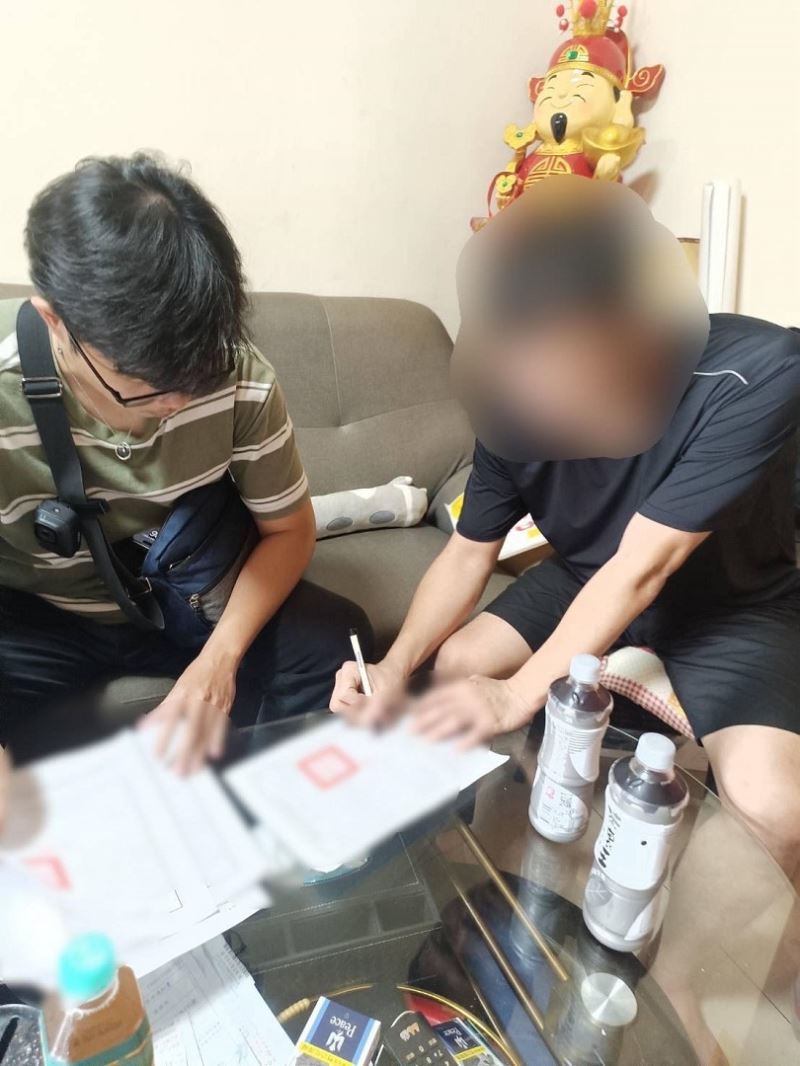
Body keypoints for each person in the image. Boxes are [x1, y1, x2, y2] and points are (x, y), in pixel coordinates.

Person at [332, 176, 800, 890]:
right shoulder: (510, 397)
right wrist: (394, 666)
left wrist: (518, 694)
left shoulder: (756, 373)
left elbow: (644, 568)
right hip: (585, 572)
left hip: (731, 605)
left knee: (775, 807)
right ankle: (524, 857)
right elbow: (467, 553)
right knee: (458, 666)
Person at [0, 153, 371, 774]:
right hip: (37, 616)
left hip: (179, 598)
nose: (176, 406)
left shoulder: (237, 374)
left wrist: (219, 660)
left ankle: (273, 813)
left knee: (334, 641)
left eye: (195, 381)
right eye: (144, 388)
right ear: (54, 323)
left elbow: (289, 529)